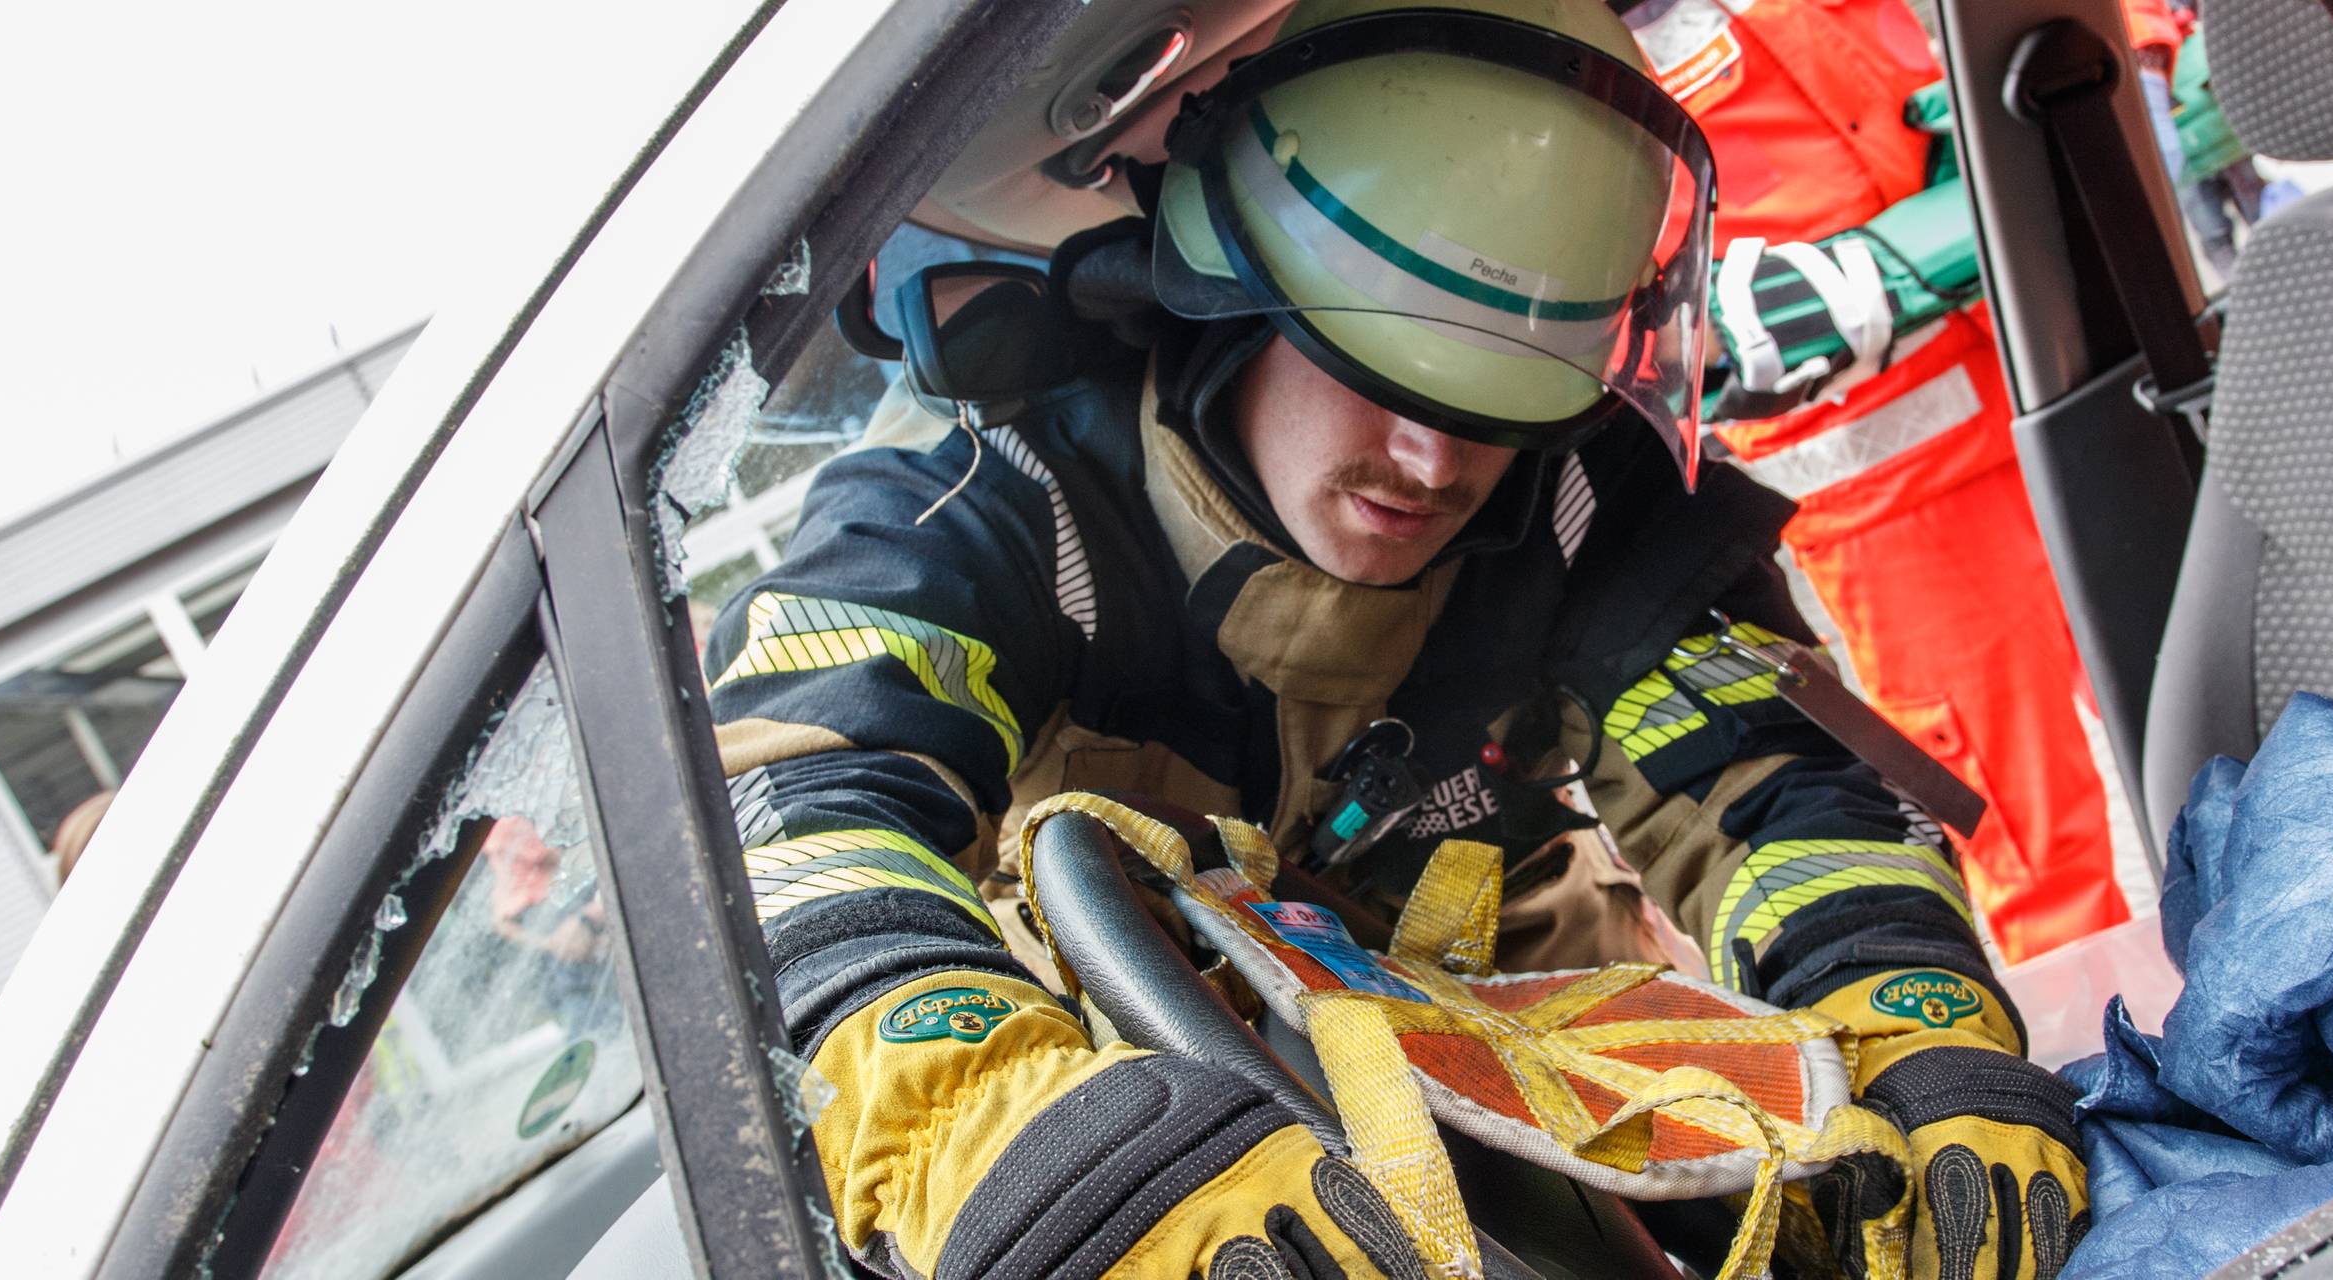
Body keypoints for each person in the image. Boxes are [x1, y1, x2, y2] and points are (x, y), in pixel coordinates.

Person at [704, 0, 2084, 1274]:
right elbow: (795, 829)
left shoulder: (1583, 508)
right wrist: (1027, 1148)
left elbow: (1783, 794)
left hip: (1541, 1117)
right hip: (1156, 1139)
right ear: (1232, 293)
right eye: (1383, 356)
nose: (1432, 457)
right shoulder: (981, 514)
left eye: (1503, 379)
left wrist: (1914, 1021)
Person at [1629, 0, 2135, 960]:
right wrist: (1894, 262)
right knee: (2035, 853)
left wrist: (2124, 66)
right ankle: (2114, 1034)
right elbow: (1636, 323)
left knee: (2235, 725)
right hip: (1901, 502)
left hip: (2075, 367)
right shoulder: (1560, 53)